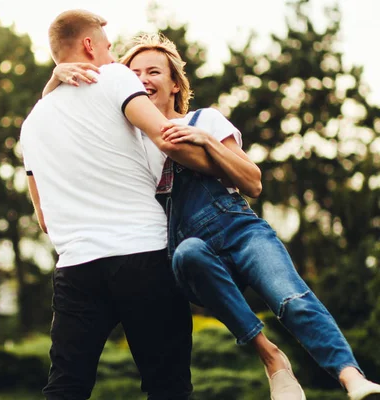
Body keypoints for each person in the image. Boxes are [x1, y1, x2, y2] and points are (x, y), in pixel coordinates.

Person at [46, 33, 380, 400]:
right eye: (134, 72)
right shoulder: (133, 143)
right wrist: (55, 79)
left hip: (239, 230)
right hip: (188, 249)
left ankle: (351, 378)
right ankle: (271, 358)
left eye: (154, 71)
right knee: (188, 252)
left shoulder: (205, 118)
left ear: (175, 83)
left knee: (290, 298)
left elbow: (252, 181)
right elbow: (59, 119)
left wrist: (204, 141)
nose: (143, 79)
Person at [21, 10, 230, 400]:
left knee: (66, 386)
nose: (113, 55)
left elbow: (44, 219)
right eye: (108, 45)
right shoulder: (116, 78)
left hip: (76, 269)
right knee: (167, 385)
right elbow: (165, 138)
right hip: (143, 255)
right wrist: (226, 170)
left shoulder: (32, 123)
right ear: (89, 45)